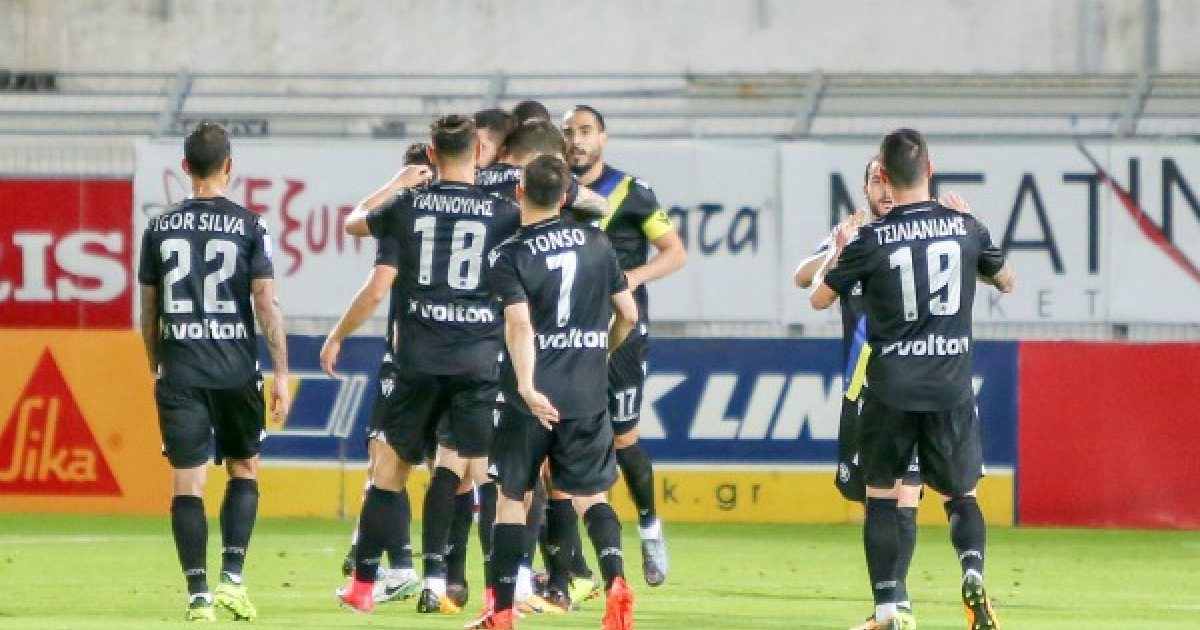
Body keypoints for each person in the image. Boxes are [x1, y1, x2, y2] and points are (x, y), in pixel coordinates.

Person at [811, 128, 1014, 630]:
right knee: (961, 495)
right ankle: (972, 572)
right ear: (930, 169)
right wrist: (972, 234)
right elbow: (1006, 280)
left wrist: (841, 254)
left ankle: (889, 611)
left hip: (891, 388)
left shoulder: (871, 239)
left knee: (882, 495)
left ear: (882, 176)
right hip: (950, 385)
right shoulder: (964, 227)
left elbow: (819, 298)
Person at [335, 114, 521, 616]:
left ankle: (363, 586)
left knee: (389, 471)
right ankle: (494, 596)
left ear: (433, 155)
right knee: (481, 476)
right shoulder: (503, 212)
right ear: (478, 154)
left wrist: (398, 183)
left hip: (417, 360)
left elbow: (354, 222)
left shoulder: (407, 205)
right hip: (478, 361)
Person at [466, 154, 639, 630]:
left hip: (531, 399)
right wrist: (601, 351)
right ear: (565, 196)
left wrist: (526, 384)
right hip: (586, 393)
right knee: (593, 496)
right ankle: (616, 582)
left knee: (512, 498)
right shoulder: (599, 243)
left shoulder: (508, 254)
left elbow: (519, 324)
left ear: (520, 192)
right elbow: (628, 314)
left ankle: (502, 611)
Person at [796, 157, 969, 630]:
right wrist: (836, 249)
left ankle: (897, 607)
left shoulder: (917, 235)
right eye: (876, 180)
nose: (885, 189)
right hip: (861, 384)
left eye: (890, 180)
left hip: (905, 380)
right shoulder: (858, 236)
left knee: (903, 494)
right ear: (866, 189)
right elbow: (803, 277)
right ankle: (891, 603)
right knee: (875, 498)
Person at [137, 121, 290, 622]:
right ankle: (233, 580)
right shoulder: (251, 226)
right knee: (243, 469)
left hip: (180, 369)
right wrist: (281, 372)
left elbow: (149, 310)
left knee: (188, 483)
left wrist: (155, 363)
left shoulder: (158, 228)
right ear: (229, 166)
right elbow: (266, 305)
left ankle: (198, 595)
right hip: (235, 370)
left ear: (185, 167)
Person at [562, 104, 686, 587]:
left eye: (585, 131)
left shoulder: (632, 192)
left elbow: (675, 253)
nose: (576, 140)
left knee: (623, 439)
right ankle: (570, 563)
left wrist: (633, 277)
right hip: (566, 336)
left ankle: (650, 525)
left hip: (622, 333)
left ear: (603, 138)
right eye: (569, 132)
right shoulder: (554, 192)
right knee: (559, 442)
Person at [327, 141, 437, 605]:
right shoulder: (475, 217)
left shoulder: (403, 215)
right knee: (451, 468)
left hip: (410, 358)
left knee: (386, 462)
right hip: (468, 356)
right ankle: (442, 577)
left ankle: (398, 566)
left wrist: (395, 185)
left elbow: (358, 232)